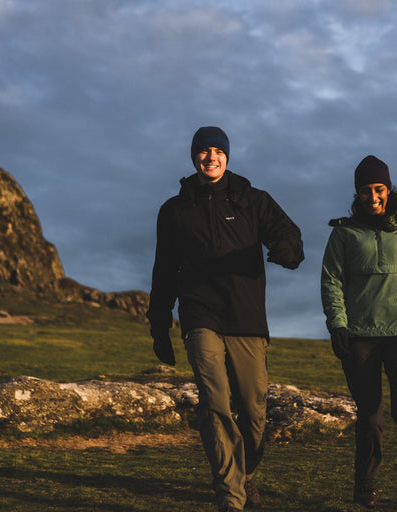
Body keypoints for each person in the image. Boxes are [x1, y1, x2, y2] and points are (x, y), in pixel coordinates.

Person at [146, 126, 304, 512]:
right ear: (194, 157)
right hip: (200, 314)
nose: (211, 157)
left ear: (227, 157)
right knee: (214, 401)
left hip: (246, 316)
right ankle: (230, 496)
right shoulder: (174, 211)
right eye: (204, 151)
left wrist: (287, 250)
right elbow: (164, 268)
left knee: (253, 410)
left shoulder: (253, 200)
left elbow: (288, 234)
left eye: (218, 150)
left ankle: (245, 472)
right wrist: (159, 323)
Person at [320, 155, 397, 512]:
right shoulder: (343, 233)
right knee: (370, 414)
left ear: (388, 189)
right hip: (361, 335)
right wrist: (338, 324)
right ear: (357, 194)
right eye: (366, 190)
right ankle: (366, 486)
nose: (373, 196)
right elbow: (331, 280)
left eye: (379, 189)